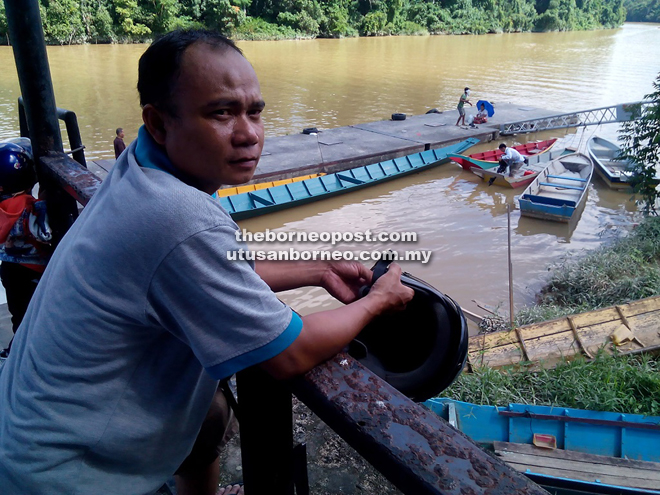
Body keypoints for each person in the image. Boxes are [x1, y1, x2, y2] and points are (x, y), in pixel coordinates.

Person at [0, 29, 414, 495]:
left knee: (210, 413)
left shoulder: (140, 165)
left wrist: (316, 270)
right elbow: (289, 353)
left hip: (24, 434)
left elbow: (211, 270)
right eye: (221, 113)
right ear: (158, 123)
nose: (249, 134)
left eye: (254, 111)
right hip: (64, 478)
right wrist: (376, 301)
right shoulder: (177, 215)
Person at [0, 139, 52, 359]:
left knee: (18, 314)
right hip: (32, 272)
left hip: (9, 269)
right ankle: (26, 356)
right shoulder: (29, 207)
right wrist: (46, 202)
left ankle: (14, 350)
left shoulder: (3, 207)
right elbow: (45, 234)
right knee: (36, 316)